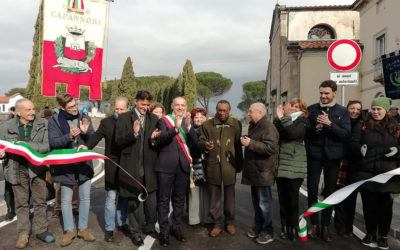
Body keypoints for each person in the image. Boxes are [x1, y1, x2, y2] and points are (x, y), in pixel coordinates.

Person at [0, 99, 55, 248]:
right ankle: (23, 234)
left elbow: (47, 146)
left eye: (33, 109)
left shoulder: (43, 124)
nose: (32, 112)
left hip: (37, 170)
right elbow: (2, 147)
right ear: (18, 112)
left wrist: (27, 146)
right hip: (16, 170)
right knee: (21, 204)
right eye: (28, 110)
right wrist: (1, 154)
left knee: (40, 202)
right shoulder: (5, 127)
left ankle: (42, 231)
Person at [78, 97, 130, 242]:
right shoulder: (106, 122)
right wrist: (87, 146)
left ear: (128, 108)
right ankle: (109, 228)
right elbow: (96, 136)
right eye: (117, 109)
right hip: (112, 164)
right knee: (111, 198)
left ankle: (122, 222)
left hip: (127, 165)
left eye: (122, 109)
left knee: (124, 197)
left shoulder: (133, 122)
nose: (118, 112)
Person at [350, 97, 400, 249]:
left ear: (386, 110)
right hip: (367, 173)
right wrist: (359, 149)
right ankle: (370, 233)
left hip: (387, 176)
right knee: (369, 206)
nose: (376, 112)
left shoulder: (396, 127)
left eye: (379, 109)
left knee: (385, 207)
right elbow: (352, 143)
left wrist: (398, 151)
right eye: (374, 109)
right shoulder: (363, 126)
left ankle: (383, 236)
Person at [305, 80, 350, 242]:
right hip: (315, 157)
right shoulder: (311, 109)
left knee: (330, 192)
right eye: (321, 93)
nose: (323, 96)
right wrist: (316, 129)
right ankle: (314, 224)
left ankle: (325, 226)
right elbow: (306, 133)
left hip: (333, 157)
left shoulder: (342, 111)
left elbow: (345, 134)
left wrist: (330, 124)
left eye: (326, 93)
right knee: (311, 190)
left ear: (334, 93)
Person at [48, 93, 95, 247]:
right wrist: (68, 136)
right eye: (71, 107)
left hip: (84, 164)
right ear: (62, 108)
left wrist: (86, 132)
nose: (75, 109)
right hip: (65, 165)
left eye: (75, 105)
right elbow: (53, 143)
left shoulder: (84, 117)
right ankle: (69, 231)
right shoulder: (54, 120)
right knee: (66, 200)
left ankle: (82, 229)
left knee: (85, 198)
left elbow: (93, 138)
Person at [115, 91, 161, 246]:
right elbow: (118, 141)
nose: (145, 108)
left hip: (149, 169)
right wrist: (133, 134)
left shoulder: (153, 118)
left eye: (148, 105)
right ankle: (135, 233)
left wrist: (155, 140)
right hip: (131, 168)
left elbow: (155, 143)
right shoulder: (123, 118)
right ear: (135, 102)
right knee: (134, 204)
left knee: (151, 204)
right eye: (143, 104)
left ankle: (149, 227)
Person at [197, 100, 243, 237]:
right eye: (220, 110)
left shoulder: (236, 124)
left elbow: (238, 146)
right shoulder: (207, 125)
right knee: (214, 197)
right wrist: (205, 144)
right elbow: (199, 141)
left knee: (230, 197)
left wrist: (239, 164)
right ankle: (217, 223)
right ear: (216, 110)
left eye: (225, 110)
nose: (222, 113)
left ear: (229, 110)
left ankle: (229, 222)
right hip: (213, 166)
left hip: (229, 166)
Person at [156, 97, 197, 247]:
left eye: (183, 105)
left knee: (180, 200)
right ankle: (164, 232)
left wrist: (189, 126)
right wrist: (175, 129)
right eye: (177, 105)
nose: (180, 107)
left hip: (183, 167)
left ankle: (176, 228)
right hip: (166, 166)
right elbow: (161, 140)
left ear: (186, 106)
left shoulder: (188, 121)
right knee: (164, 200)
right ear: (172, 106)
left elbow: (195, 142)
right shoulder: (164, 121)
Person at [241, 103, 278, 245]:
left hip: (263, 172)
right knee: (257, 203)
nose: (248, 114)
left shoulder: (268, 127)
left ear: (260, 112)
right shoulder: (254, 125)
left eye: (250, 111)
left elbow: (271, 148)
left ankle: (268, 231)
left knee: (264, 204)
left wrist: (250, 143)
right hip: (256, 171)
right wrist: (249, 142)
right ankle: (258, 227)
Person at [274, 98, 309, 241]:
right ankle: (284, 227)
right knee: (282, 200)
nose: (293, 108)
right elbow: (276, 133)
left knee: (293, 200)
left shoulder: (303, 122)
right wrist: (279, 118)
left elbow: (292, 134)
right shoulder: (283, 120)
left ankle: (293, 227)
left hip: (295, 166)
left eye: (296, 106)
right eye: (291, 106)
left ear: (302, 109)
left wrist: (285, 117)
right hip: (281, 164)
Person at [334, 100, 363, 237]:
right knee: (339, 195)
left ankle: (348, 227)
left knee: (351, 197)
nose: (355, 111)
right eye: (352, 108)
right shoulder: (341, 123)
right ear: (347, 109)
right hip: (341, 163)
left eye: (358, 109)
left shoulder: (363, 125)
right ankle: (339, 226)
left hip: (356, 165)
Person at [188, 108, 210, 226]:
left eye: (201, 117)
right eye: (196, 117)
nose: (199, 119)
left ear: (205, 118)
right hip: (194, 164)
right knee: (194, 192)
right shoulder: (189, 130)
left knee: (207, 192)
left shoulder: (210, 130)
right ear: (192, 119)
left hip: (208, 165)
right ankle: (193, 219)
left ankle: (207, 217)